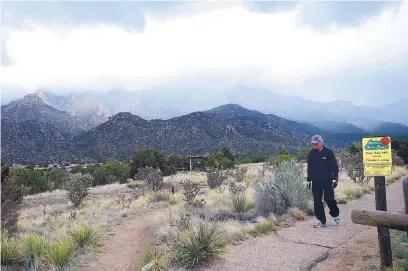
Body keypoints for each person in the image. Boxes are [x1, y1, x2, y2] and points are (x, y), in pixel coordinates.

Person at [305, 135, 340, 228]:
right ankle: (321, 221)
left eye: (316, 143)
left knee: (329, 199)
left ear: (321, 142)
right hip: (316, 181)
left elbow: (335, 167)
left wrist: (335, 179)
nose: (314, 145)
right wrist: (308, 180)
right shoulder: (312, 153)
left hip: (327, 180)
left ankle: (335, 214)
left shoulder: (328, 153)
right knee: (317, 201)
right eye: (313, 144)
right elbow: (310, 168)